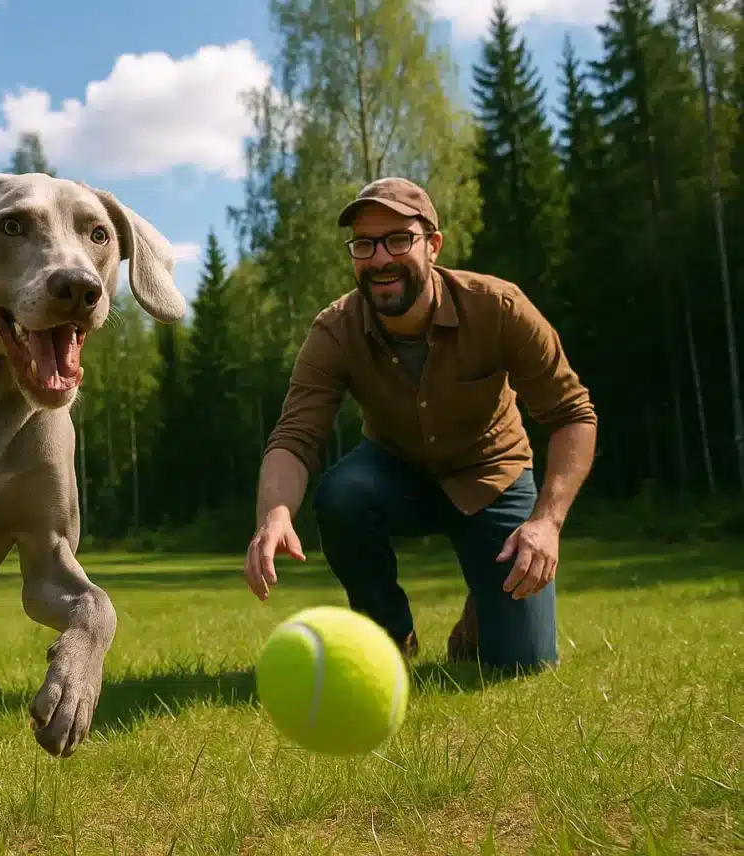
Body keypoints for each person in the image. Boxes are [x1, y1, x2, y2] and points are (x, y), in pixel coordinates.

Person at [243, 177, 597, 673]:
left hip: (492, 477)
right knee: (342, 496)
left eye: (397, 239)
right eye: (364, 244)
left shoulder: (498, 307)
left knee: (522, 665)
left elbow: (573, 415)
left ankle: (484, 610)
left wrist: (547, 522)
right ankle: (388, 639)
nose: (380, 258)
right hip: (395, 472)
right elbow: (295, 437)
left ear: (432, 245)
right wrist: (274, 516)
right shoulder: (335, 330)